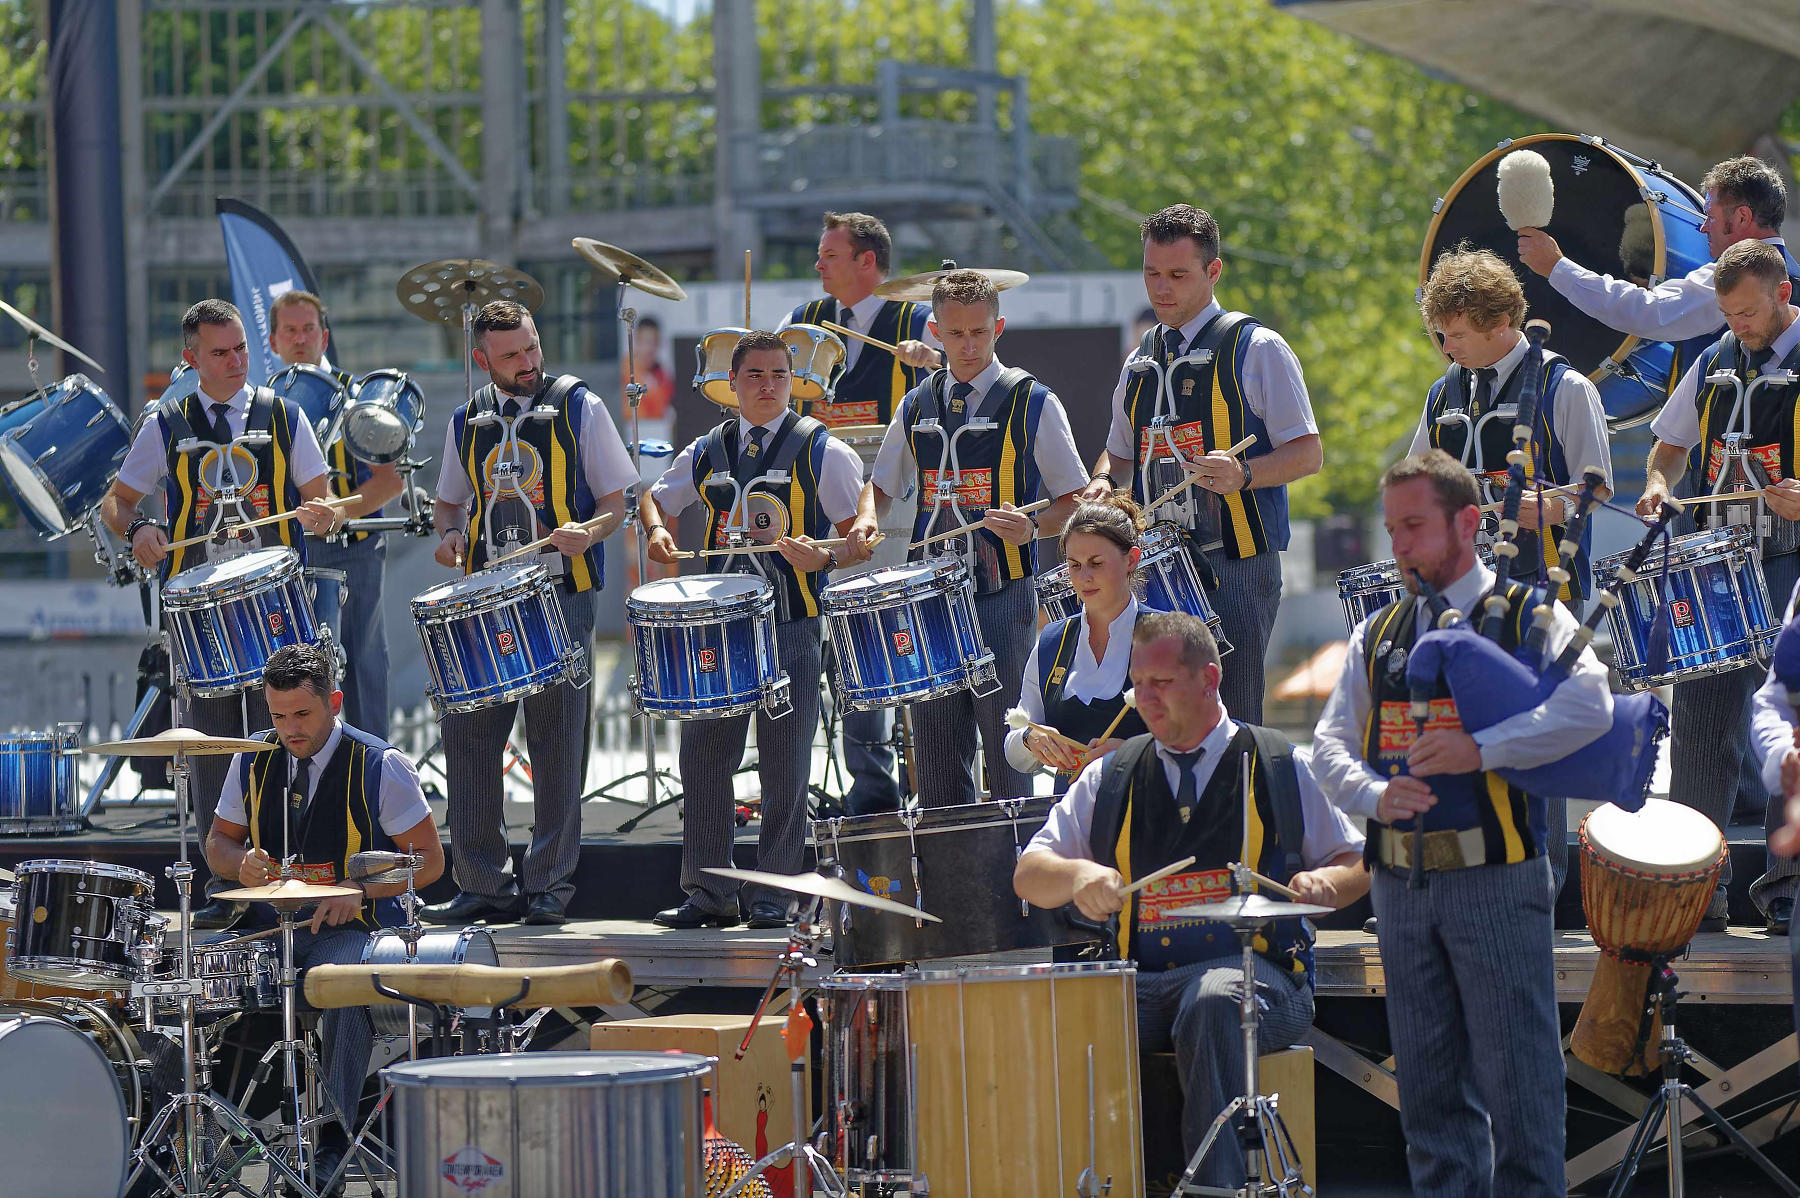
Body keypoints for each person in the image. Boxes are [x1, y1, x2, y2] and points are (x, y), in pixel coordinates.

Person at [1311, 450, 1613, 1197]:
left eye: (1414, 526)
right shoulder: (1376, 633)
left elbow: (1592, 705)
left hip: (1497, 879)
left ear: (1469, 523)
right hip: (1400, 888)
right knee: (1429, 1096)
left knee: (1521, 1090)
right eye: (1392, 529)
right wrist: (1374, 796)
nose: (1400, 546)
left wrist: (1482, 749)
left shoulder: (1528, 614)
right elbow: (1327, 743)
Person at [1013, 610, 1366, 1191]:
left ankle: (1218, 1189)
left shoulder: (1277, 763)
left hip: (1261, 979)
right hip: (1143, 982)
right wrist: (1078, 876)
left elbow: (1357, 860)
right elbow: (1029, 873)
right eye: (1137, 684)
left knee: (1212, 1000)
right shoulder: (1111, 775)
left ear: (1209, 678)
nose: (1144, 700)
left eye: (1161, 684)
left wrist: (1328, 885)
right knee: (1064, 1009)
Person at [101, 298, 340, 929]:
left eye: (240, 349)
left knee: (285, 741)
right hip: (199, 614)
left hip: (274, 610)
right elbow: (118, 504)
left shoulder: (285, 417)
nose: (235, 362)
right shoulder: (166, 423)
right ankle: (221, 887)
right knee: (206, 747)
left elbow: (323, 500)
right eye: (219, 352)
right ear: (191, 358)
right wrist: (140, 532)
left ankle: (294, 878)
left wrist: (324, 512)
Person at [640, 330, 870, 928]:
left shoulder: (824, 450)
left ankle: (774, 891)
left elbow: (855, 539)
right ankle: (708, 890)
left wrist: (821, 558)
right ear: (733, 384)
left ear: (792, 381)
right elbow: (653, 498)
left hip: (793, 623)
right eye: (755, 376)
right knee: (706, 757)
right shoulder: (708, 448)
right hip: (722, 632)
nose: (767, 386)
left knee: (785, 762)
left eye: (778, 375)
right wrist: (659, 532)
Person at [205, 644, 445, 1194]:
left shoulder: (382, 765)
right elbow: (217, 842)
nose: (289, 728)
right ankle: (196, 1133)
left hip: (355, 930)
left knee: (341, 988)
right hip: (270, 926)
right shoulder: (250, 760)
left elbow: (430, 863)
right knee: (184, 984)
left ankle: (332, 1134)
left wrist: (360, 892)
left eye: (302, 714)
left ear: (334, 702)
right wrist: (239, 863)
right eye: (278, 715)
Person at [1412, 246, 1613, 898]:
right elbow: (1417, 480)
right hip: (1460, 597)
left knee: (1533, 736)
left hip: (1540, 588)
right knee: (1456, 732)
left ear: (1500, 321)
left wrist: (1544, 506)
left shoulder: (1566, 386)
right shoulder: (1444, 392)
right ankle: (1469, 877)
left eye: (1458, 334)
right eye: (1441, 334)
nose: (1448, 346)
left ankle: (1540, 890)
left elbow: (1596, 489)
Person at [425, 300, 634, 926]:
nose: (528, 363)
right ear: (480, 360)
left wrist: (586, 534)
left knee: (557, 741)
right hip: (484, 601)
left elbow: (615, 504)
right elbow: (447, 507)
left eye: (533, 348)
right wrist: (450, 538)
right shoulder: (466, 419)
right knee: (469, 739)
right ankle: (482, 880)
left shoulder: (580, 406)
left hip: (560, 594)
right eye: (512, 354)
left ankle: (549, 885)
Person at [848, 269, 1088, 806]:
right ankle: (952, 881)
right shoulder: (915, 404)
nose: (968, 344)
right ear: (935, 331)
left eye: (978, 331)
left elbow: (1075, 501)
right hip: (932, 597)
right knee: (934, 751)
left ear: (998, 327)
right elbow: (881, 485)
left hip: (1003, 591)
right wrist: (866, 519)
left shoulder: (1033, 401)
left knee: (1009, 741)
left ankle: (1020, 874)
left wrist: (1032, 526)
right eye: (955, 334)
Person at [1083, 204, 1323, 724]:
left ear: (1213, 272)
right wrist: (1103, 480)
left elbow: (1309, 453)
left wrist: (1246, 474)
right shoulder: (1141, 359)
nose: (1161, 288)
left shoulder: (1257, 347)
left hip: (1236, 563)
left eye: (1177, 275)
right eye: (1151, 274)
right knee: (1153, 710)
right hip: (1156, 565)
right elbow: (1119, 452)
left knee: (1231, 710)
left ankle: (1238, 804)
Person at [1640, 238, 1800, 933]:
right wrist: (1654, 487)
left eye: (1747, 313)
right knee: (1700, 731)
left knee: (1787, 733)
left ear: (1784, 294)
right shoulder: (1711, 362)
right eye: (1729, 314)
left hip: (1791, 563)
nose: (1738, 326)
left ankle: (1789, 889)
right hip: (1716, 567)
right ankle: (1698, 891)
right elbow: (1668, 447)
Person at [781, 211, 941, 815]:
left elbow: (963, 368)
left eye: (829, 254)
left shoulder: (916, 317)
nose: (818, 264)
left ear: (866, 262)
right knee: (846, 640)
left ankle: (923, 777)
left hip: (900, 492)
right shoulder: (804, 322)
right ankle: (870, 788)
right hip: (828, 491)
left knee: (889, 632)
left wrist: (933, 357)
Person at [269, 290, 405, 741]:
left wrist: (336, 510)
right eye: (290, 330)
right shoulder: (264, 406)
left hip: (356, 549)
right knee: (292, 669)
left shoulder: (359, 399)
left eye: (308, 328)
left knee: (364, 662)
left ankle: (375, 774)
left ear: (324, 336)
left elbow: (389, 483)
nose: (300, 338)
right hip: (289, 555)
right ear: (272, 340)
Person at [1518, 156, 1800, 358]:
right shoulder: (1791, 274)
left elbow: (1649, 312)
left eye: (1710, 217)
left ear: (1742, 217)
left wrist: (1556, 267)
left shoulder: (1743, 274)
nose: (1703, 227)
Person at [1003, 494, 1156, 792]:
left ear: (1132, 559)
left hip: (1145, 819)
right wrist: (1029, 739)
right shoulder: (1051, 642)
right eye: (1074, 565)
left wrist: (1135, 755)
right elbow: (1015, 749)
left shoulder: (1169, 636)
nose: (1084, 577)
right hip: (1069, 819)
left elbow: (1206, 740)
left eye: (1096, 563)